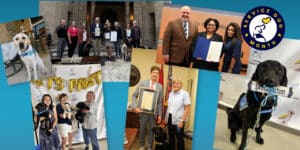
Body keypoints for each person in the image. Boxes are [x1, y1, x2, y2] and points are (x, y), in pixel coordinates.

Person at [132, 66, 163, 150]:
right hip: (142, 112)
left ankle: (149, 147)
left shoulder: (160, 87)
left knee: (151, 131)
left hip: (153, 114)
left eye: (157, 73)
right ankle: (142, 145)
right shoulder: (143, 83)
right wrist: (135, 107)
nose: (155, 74)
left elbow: (160, 102)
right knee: (142, 130)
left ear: (158, 75)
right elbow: (134, 95)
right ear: (150, 73)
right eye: (154, 72)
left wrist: (160, 115)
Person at [165, 79, 191, 150]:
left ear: (181, 85)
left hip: (179, 120)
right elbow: (169, 108)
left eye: (177, 83)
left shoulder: (185, 94)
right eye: (174, 83)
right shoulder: (171, 93)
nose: (175, 85)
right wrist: (166, 118)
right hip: (170, 119)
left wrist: (182, 121)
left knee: (179, 139)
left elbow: (187, 108)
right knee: (171, 138)